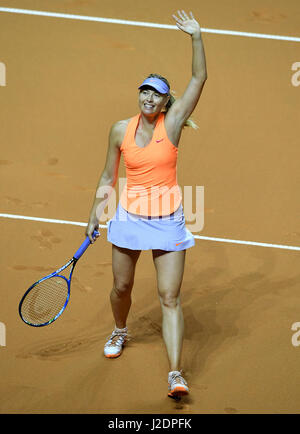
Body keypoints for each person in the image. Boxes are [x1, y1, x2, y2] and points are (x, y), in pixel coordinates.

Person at [86, 10, 207, 398]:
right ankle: (120, 330)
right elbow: (108, 177)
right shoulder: (120, 129)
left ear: (166, 100)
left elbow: (199, 78)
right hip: (129, 219)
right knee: (122, 287)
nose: (148, 97)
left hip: (168, 221)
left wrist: (196, 37)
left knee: (169, 297)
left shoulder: (172, 125)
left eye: (155, 93)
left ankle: (176, 373)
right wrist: (94, 215)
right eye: (144, 91)